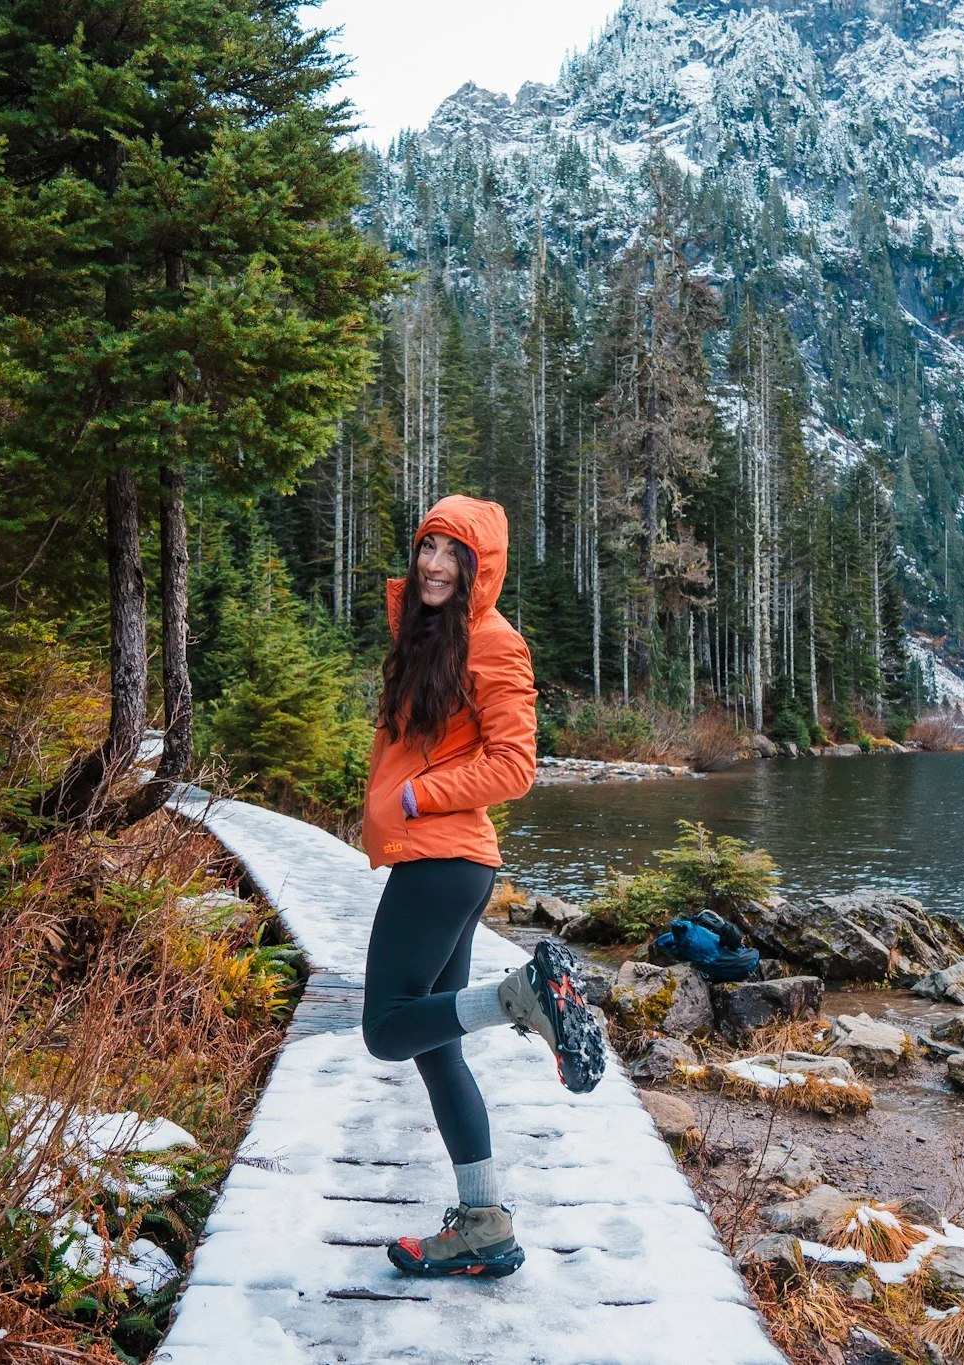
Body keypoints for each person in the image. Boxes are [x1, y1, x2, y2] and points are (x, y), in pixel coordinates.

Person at [358, 494, 607, 1280]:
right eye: (426, 547)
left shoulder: (495, 644)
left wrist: (417, 796)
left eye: (451, 554)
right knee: (436, 1048)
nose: (432, 564)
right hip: (442, 861)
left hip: (444, 859)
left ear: (480, 568)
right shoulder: (433, 635)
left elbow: (516, 764)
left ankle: (521, 997)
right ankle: (485, 1223)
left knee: (386, 1027)